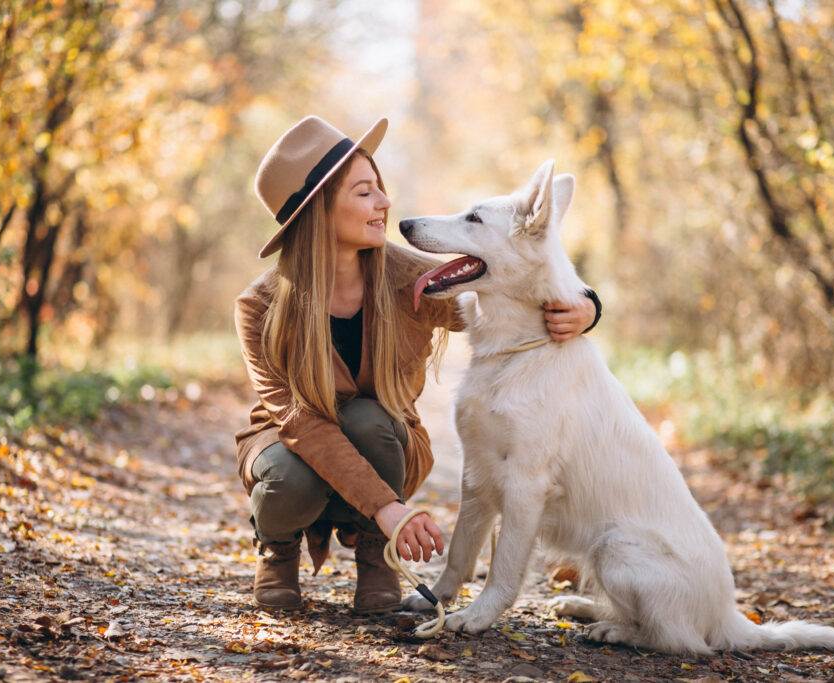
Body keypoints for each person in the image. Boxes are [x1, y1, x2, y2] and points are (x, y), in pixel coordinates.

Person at [234, 115, 600, 613]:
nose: (385, 202)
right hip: (292, 445)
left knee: (369, 419)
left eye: (380, 188)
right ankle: (277, 549)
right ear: (318, 211)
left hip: (383, 442)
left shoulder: (411, 276)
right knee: (285, 475)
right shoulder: (259, 307)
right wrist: (390, 508)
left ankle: (374, 555)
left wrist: (586, 305)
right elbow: (300, 423)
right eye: (365, 192)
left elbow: (515, 279)